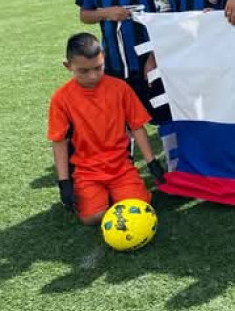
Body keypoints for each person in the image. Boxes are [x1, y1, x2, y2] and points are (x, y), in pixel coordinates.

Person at [48, 33, 165, 225]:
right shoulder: (61, 99)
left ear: (104, 58)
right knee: (92, 218)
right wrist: (64, 182)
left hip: (121, 167)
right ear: (68, 66)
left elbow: (137, 127)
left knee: (141, 207)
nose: (93, 76)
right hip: (86, 171)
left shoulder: (120, 88)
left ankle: (116, 194)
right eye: (83, 71)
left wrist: (152, 162)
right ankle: (99, 197)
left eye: (98, 68)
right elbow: (59, 141)